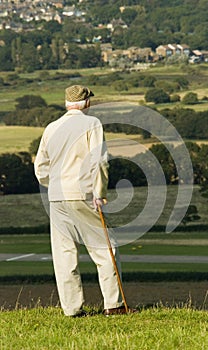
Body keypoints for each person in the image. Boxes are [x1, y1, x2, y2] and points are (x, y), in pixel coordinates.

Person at [34, 85, 131, 317]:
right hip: (84, 194)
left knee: (64, 254)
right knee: (106, 250)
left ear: (67, 102)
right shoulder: (91, 123)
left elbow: (40, 167)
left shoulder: (51, 127)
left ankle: (72, 310)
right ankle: (113, 305)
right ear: (86, 102)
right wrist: (99, 192)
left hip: (56, 197)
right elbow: (99, 161)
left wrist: (55, 184)